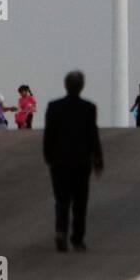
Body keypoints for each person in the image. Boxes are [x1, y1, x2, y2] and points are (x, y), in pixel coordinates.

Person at [43, 70, 104, 252]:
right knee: (80, 202)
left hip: (59, 162)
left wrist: (48, 156)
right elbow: (93, 135)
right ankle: (77, 238)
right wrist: (98, 160)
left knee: (61, 200)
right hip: (81, 162)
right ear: (82, 86)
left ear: (65, 85)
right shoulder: (89, 108)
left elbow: (49, 135)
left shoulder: (53, 106)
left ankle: (60, 231)